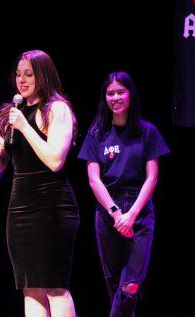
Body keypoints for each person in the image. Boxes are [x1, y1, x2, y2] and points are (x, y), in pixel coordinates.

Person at [0, 50, 80, 317]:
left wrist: (24, 126)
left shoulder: (57, 109)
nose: (21, 80)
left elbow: (55, 160)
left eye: (29, 75)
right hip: (20, 206)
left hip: (52, 205)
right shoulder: (14, 113)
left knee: (54, 285)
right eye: (18, 74)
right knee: (30, 287)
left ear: (43, 75)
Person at [78, 71, 170, 316]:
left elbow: (152, 178)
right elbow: (93, 179)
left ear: (131, 95)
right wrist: (117, 214)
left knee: (130, 287)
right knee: (114, 284)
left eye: (121, 92)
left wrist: (132, 215)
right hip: (108, 213)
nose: (115, 97)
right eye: (110, 93)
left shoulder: (147, 132)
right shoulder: (97, 133)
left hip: (139, 213)